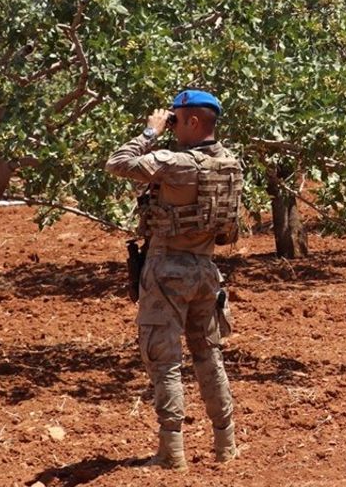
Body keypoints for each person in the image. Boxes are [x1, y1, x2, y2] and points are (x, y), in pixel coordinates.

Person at [106, 89, 243, 469]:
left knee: (163, 361)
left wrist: (150, 132)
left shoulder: (177, 163)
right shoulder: (230, 164)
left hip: (167, 270)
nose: (173, 127)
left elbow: (117, 162)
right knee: (208, 355)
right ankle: (225, 444)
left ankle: (172, 452)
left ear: (193, 121)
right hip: (206, 271)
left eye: (176, 121)